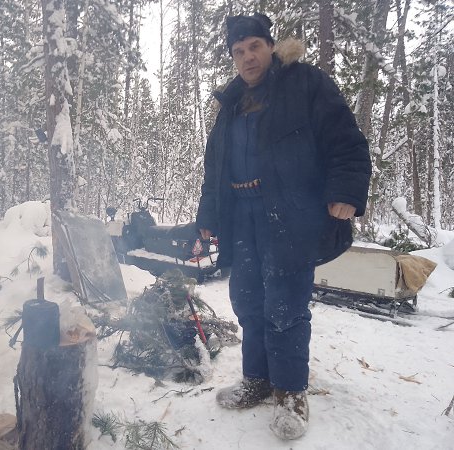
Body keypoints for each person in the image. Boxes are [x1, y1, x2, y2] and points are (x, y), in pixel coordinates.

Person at [196, 14, 371, 440]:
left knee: (285, 306)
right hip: (242, 215)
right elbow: (215, 167)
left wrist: (345, 190)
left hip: (290, 213)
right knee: (247, 300)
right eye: (239, 51)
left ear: (270, 47)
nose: (247, 57)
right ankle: (257, 379)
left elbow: (345, 139)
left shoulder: (305, 83)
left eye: (254, 46)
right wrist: (207, 217)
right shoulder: (231, 102)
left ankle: (291, 392)